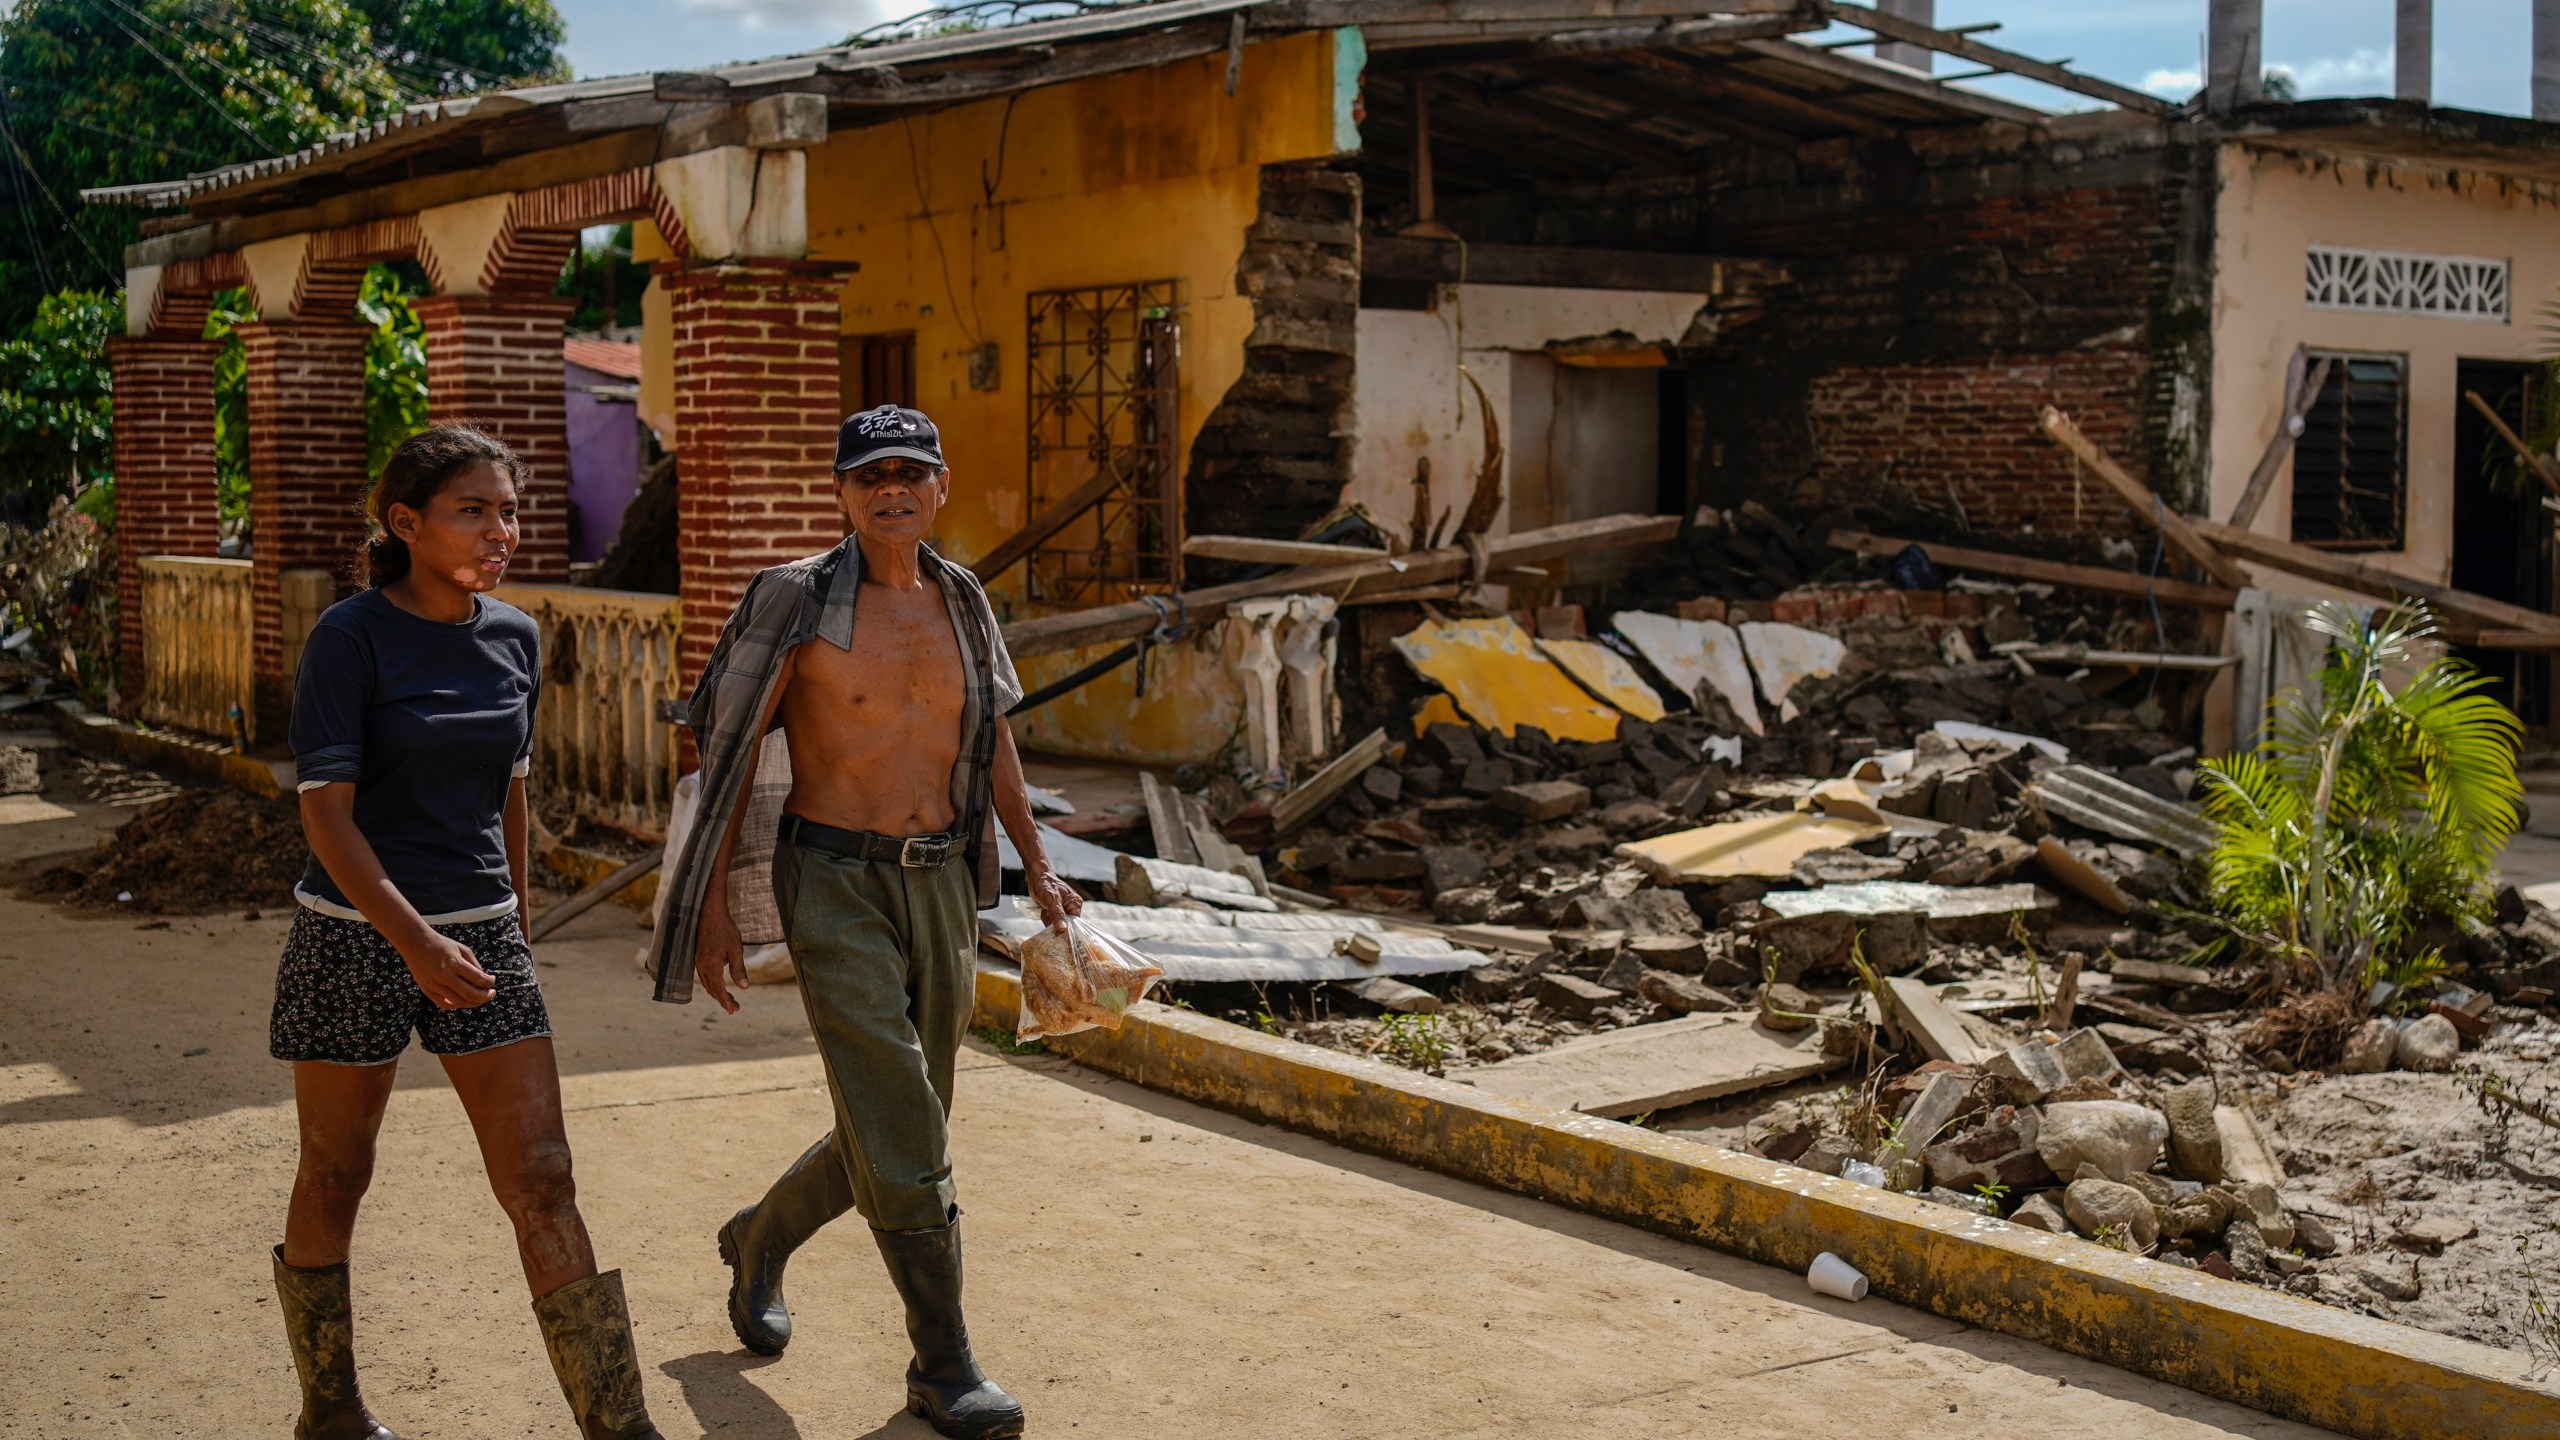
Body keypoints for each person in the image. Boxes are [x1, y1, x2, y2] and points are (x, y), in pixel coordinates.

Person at [646, 403, 1081, 1440]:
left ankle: (759, 1237)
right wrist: (708, 909)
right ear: (841, 494)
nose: (891, 488)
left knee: (902, 1120)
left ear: (937, 487)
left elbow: (994, 741)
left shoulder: (963, 599)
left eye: (910, 471)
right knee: (900, 1118)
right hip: (833, 879)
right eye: (868, 473)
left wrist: (1040, 863)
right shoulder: (795, 598)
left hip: (938, 880)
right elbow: (730, 746)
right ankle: (943, 1363)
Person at [268, 425, 664, 1440]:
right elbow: (326, 814)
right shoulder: (348, 639)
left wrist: (514, 934)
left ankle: (619, 1428)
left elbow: (510, 800)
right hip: (353, 936)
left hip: (482, 935)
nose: (502, 530)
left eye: (510, 509)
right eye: (473, 509)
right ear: (405, 523)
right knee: (336, 1171)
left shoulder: (514, 637)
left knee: (542, 1176)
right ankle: (332, 1407)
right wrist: (412, 943)